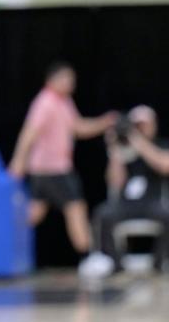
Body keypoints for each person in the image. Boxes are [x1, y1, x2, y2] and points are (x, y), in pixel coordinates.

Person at [8, 62, 118, 262]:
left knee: (34, 212)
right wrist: (18, 162)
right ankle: (88, 258)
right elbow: (29, 133)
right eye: (66, 79)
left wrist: (104, 122)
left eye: (72, 79)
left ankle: (3, 243)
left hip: (46, 170)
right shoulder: (45, 102)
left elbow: (78, 128)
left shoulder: (64, 102)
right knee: (75, 208)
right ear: (52, 80)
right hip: (53, 170)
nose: (70, 83)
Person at [90, 105, 169, 273]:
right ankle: (116, 263)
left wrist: (140, 143)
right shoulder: (123, 148)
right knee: (103, 213)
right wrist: (114, 150)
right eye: (137, 125)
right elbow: (115, 182)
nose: (140, 129)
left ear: (154, 124)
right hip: (126, 205)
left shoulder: (163, 144)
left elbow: (168, 166)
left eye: (144, 125)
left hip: (152, 203)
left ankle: (159, 260)